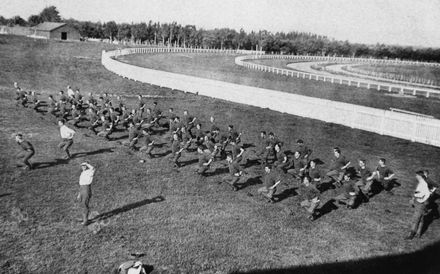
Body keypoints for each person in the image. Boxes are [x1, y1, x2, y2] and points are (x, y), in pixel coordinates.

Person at [405, 171, 436, 239]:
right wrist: (415, 197)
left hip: (420, 204)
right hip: (420, 203)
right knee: (421, 219)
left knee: (415, 219)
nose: (416, 176)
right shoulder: (421, 183)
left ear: (420, 176)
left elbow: (427, 194)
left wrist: (421, 199)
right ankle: (418, 234)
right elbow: (418, 191)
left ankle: (411, 235)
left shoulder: (424, 184)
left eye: (417, 175)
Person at [77, 162, 95, 226]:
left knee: (85, 204)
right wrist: (79, 193)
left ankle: (85, 221)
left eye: (84, 166)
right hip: (82, 188)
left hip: (86, 189)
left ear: (87, 166)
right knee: (82, 204)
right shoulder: (82, 173)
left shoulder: (90, 171)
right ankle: (84, 218)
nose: (83, 167)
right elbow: (81, 183)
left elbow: (93, 168)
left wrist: (87, 164)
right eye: (82, 166)